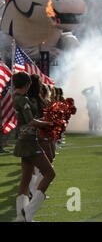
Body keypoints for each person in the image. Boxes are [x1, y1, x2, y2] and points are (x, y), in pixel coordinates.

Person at [12, 72, 54, 222]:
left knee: (25, 180)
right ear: (27, 84)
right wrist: (49, 124)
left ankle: (21, 217)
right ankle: (27, 212)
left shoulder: (17, 97)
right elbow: (31, 121)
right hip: (29, 141)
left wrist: (44, 121)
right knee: (50, 174)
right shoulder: (22, 99)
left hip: (24, 141)